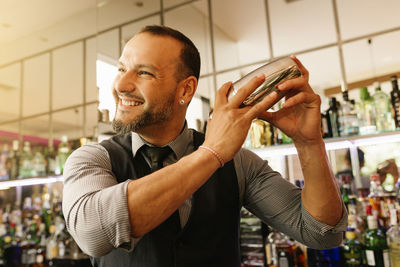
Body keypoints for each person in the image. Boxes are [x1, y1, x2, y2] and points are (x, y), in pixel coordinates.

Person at [62, 25, 347, 267]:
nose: (121, 84)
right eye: (122, 69)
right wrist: (211, 153)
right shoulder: (92, 158)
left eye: (144, 73)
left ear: (185, 89)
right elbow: (92, 233)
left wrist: (309, 143)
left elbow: (322, 233)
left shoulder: (240, 163)